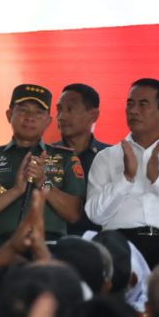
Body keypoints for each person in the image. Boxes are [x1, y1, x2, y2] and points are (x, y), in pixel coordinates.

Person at [85, 78, 159, 268]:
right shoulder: (107, 156)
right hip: (120, 245)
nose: (133, 110)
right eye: (130, 104)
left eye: (143, 104)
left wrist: (158, 179)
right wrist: (126, 179)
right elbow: (95, 215)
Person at [0, 84, 85, 247]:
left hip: (49, 246)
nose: (30, 117)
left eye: (38, 112)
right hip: (0, 246)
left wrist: (43, 182)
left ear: (48, 121)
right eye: (23, 110)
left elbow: (74, 214)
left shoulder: (66, 158)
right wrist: (15, 191)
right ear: (9, 115)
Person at [53, 83, 110, 235]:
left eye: (70, 109)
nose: (61, 117)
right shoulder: (44, 155)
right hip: (52, 240)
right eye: (59, 109)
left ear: (93, 115)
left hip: (99, 242)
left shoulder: (111, 156)